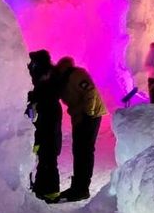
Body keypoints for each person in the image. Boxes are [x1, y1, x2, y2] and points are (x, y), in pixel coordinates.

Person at [55, 56, 107, 202]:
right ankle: (77, 186)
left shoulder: (77, 75)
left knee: (84, 151)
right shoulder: (65, 79)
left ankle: (82, 189)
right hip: (81, 117)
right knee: (79, 150)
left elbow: (90, 91)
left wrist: (87, 113)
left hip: (90, 116)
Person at [25, 49, 63, 199]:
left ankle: (49, 191)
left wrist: (32, 98)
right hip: (49, 114)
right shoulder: (51, 77)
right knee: (47, 156)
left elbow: (39, 94)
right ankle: (46, 189)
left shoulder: (46, 80)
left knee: (47, 155)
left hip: (47, 116)